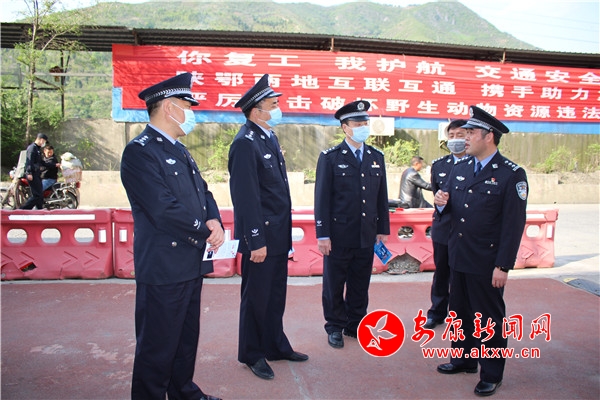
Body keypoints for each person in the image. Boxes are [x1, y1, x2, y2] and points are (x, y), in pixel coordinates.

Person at [120, 72, 224, 400]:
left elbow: (203, 192)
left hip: (190, 261)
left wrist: (214, 219)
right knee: (157, 345)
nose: (191, 113)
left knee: (184, 339)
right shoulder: (140, 152)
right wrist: (204, 231)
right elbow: (162, 208)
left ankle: (184, 392)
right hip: (164, 266)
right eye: (186, 106)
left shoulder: (179, 150)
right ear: (168, 107)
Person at [434, 106, 528, 397]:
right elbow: (450, 207)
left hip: (487, 261)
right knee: (459, 312)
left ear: (488, 136)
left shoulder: (511, 174)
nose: (466, 138)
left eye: (471, 132)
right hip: (459, 255)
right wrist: (440, 203)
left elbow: (513, 225)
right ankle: (463, 359)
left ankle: (491, 373)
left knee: (488, 318)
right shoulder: (461, 167)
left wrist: (503, 265)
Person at [228, 74, 308, 381]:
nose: (277, 110)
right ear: (256, 110)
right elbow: (246, 198)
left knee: (275, 295)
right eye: (273, 105)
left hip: (277, 235)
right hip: (260, 238)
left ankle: (275, 345)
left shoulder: (268, 137)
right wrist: (255, 240)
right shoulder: (244, 143)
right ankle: (252, 353)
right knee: (256, 297)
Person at [314, 100, 390, 349]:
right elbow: (321, 199)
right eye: (357, 123)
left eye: (365, 122)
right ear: (345, 127)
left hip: (366, 234)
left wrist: (383, 229)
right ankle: (335, 325)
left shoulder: (376, 157)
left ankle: (355, 323)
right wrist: (323, 234)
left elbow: (381, 197)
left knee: (360, 282)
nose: (362, 127)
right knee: (334, 283)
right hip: (339, 234)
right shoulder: (330, 158)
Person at [423, 119, 469, 329]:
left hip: (467, 231)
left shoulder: (476, 164)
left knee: (463, 274)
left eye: (460, 135)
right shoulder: (439, 165)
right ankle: (437, 312)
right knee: (441, 272)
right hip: (443, 227)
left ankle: (460, 314)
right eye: (451, 136)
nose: (455, 140)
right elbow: (436, 194)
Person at [20, 133, 48, 209]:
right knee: (37, 195)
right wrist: (29, 172)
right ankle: (23, 210)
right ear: (41, 139)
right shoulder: (32, 148)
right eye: (44, 141)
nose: (44, 143)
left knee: (40, 194)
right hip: (32, 174)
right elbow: (29, 161)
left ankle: (40, 210)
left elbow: (41, 162)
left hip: (37, 174)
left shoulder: (37, 149)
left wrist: (53, 165)